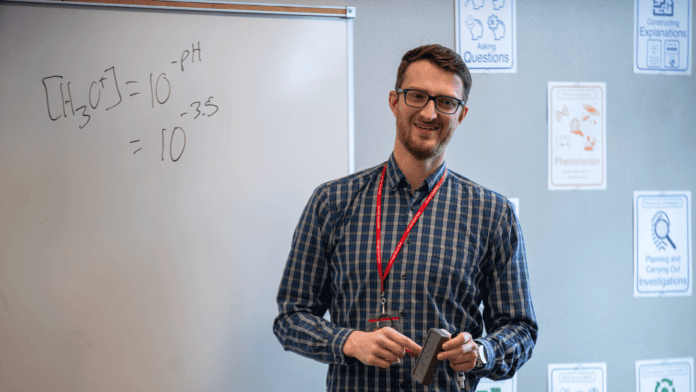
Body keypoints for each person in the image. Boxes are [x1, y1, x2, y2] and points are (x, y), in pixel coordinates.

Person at [273, 44, 538, 392]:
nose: (430, 113)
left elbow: (520, 328)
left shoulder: (492, 213)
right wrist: (349, 342)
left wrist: (482, 352)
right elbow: (291, 318)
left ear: (462, 114)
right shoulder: (332, 202)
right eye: (417, 96)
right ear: (394, 102)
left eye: (446, 102)